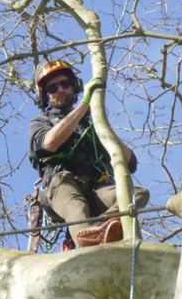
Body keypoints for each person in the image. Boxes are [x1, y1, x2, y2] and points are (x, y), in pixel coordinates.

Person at [28, 60, 149, 248]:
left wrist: (101, 125)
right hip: (61, 182)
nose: (60, 89)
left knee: (135, 194)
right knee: (77, 207)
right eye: (53, 87)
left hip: (97, 185)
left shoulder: (90, 124)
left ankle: (99, 227)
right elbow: (49, 143)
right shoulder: (40, 122)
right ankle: (88, 244)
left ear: (73, 86)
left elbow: (130, 162)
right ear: (45, 96)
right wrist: (84, 105)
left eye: (65, 84)